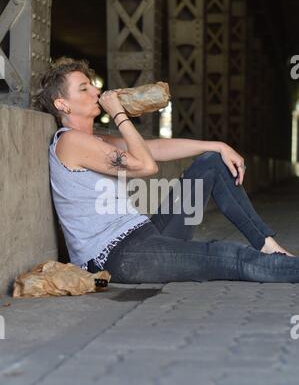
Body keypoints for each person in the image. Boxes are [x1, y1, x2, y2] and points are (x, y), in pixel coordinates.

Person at [34, 57, 299, 284]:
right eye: (84, 89)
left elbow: (156, 148)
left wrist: (218, 145)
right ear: (62, 104)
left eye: (93, 85)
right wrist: (119, 114)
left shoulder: (96, 141)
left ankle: (267, 244)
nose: (96, 92)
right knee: (229, 256)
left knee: (211, 164)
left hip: (143, 235)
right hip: (117, 257)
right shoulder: (70, 142)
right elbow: (147, 165)